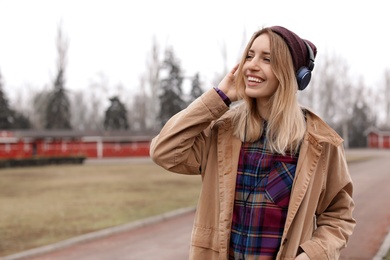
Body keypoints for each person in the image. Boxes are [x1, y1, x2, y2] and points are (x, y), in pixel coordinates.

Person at [150, 25, 356, 260]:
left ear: (292, 74)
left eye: (267, 59)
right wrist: (219, 96)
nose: (251, 65)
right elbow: (164, 151)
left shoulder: (320, 142)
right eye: (249, 55)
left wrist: (313, 254)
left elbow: (339, 214)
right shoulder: (223, 130)